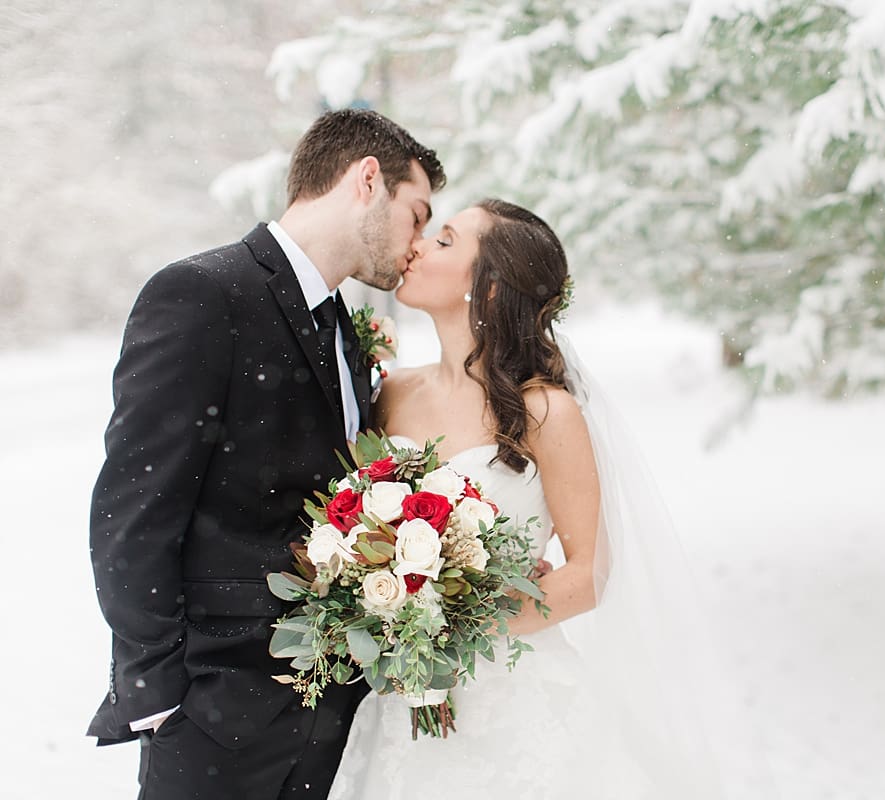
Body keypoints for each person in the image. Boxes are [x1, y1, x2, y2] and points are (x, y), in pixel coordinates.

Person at [87, 108, 446, 799]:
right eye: (418, 214)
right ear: (367, 180)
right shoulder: (201, 293)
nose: (418, 242)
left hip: (327, 719)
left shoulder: (343, 328)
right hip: (214, 718)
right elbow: (133, 509)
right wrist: (160, 698)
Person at [328, 199, 726, 798]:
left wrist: (457, 623)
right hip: (404, 704)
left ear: (488, 290)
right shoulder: (393, 394)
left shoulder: (545, 412)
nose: (416, 246)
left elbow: (589, 573)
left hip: (514, 700)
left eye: (444, 241)